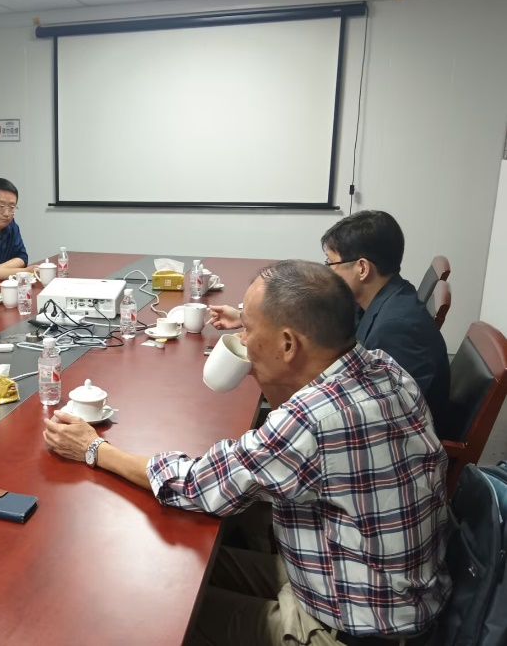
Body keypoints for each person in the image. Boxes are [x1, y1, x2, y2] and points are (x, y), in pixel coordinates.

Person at [45, 260, 450, 646]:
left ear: (288, 343)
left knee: (155, 610)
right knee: (178, 564)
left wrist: (93, 448)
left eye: (249, 329)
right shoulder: (385, 367)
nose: (241, 340)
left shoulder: (310, 420)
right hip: (376, 588)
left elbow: (197, 485)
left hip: (350, 627)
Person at [209, 210, 450, 433]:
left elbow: (380, 416)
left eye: (330, 263)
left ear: (362, 268)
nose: (328, 273)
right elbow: (322, 323)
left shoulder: (397, 328)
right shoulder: (385, 297)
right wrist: (249, 320)